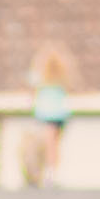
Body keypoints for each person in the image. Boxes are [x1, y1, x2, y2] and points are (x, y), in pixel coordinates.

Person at [26, 48, 72, 187]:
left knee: (49, 145)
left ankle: (49, 174)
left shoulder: (40, 76)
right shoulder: (61, 77)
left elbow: (32, 89)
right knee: (54, 145)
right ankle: (51, 172)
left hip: (47, 114)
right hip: (59, 114)